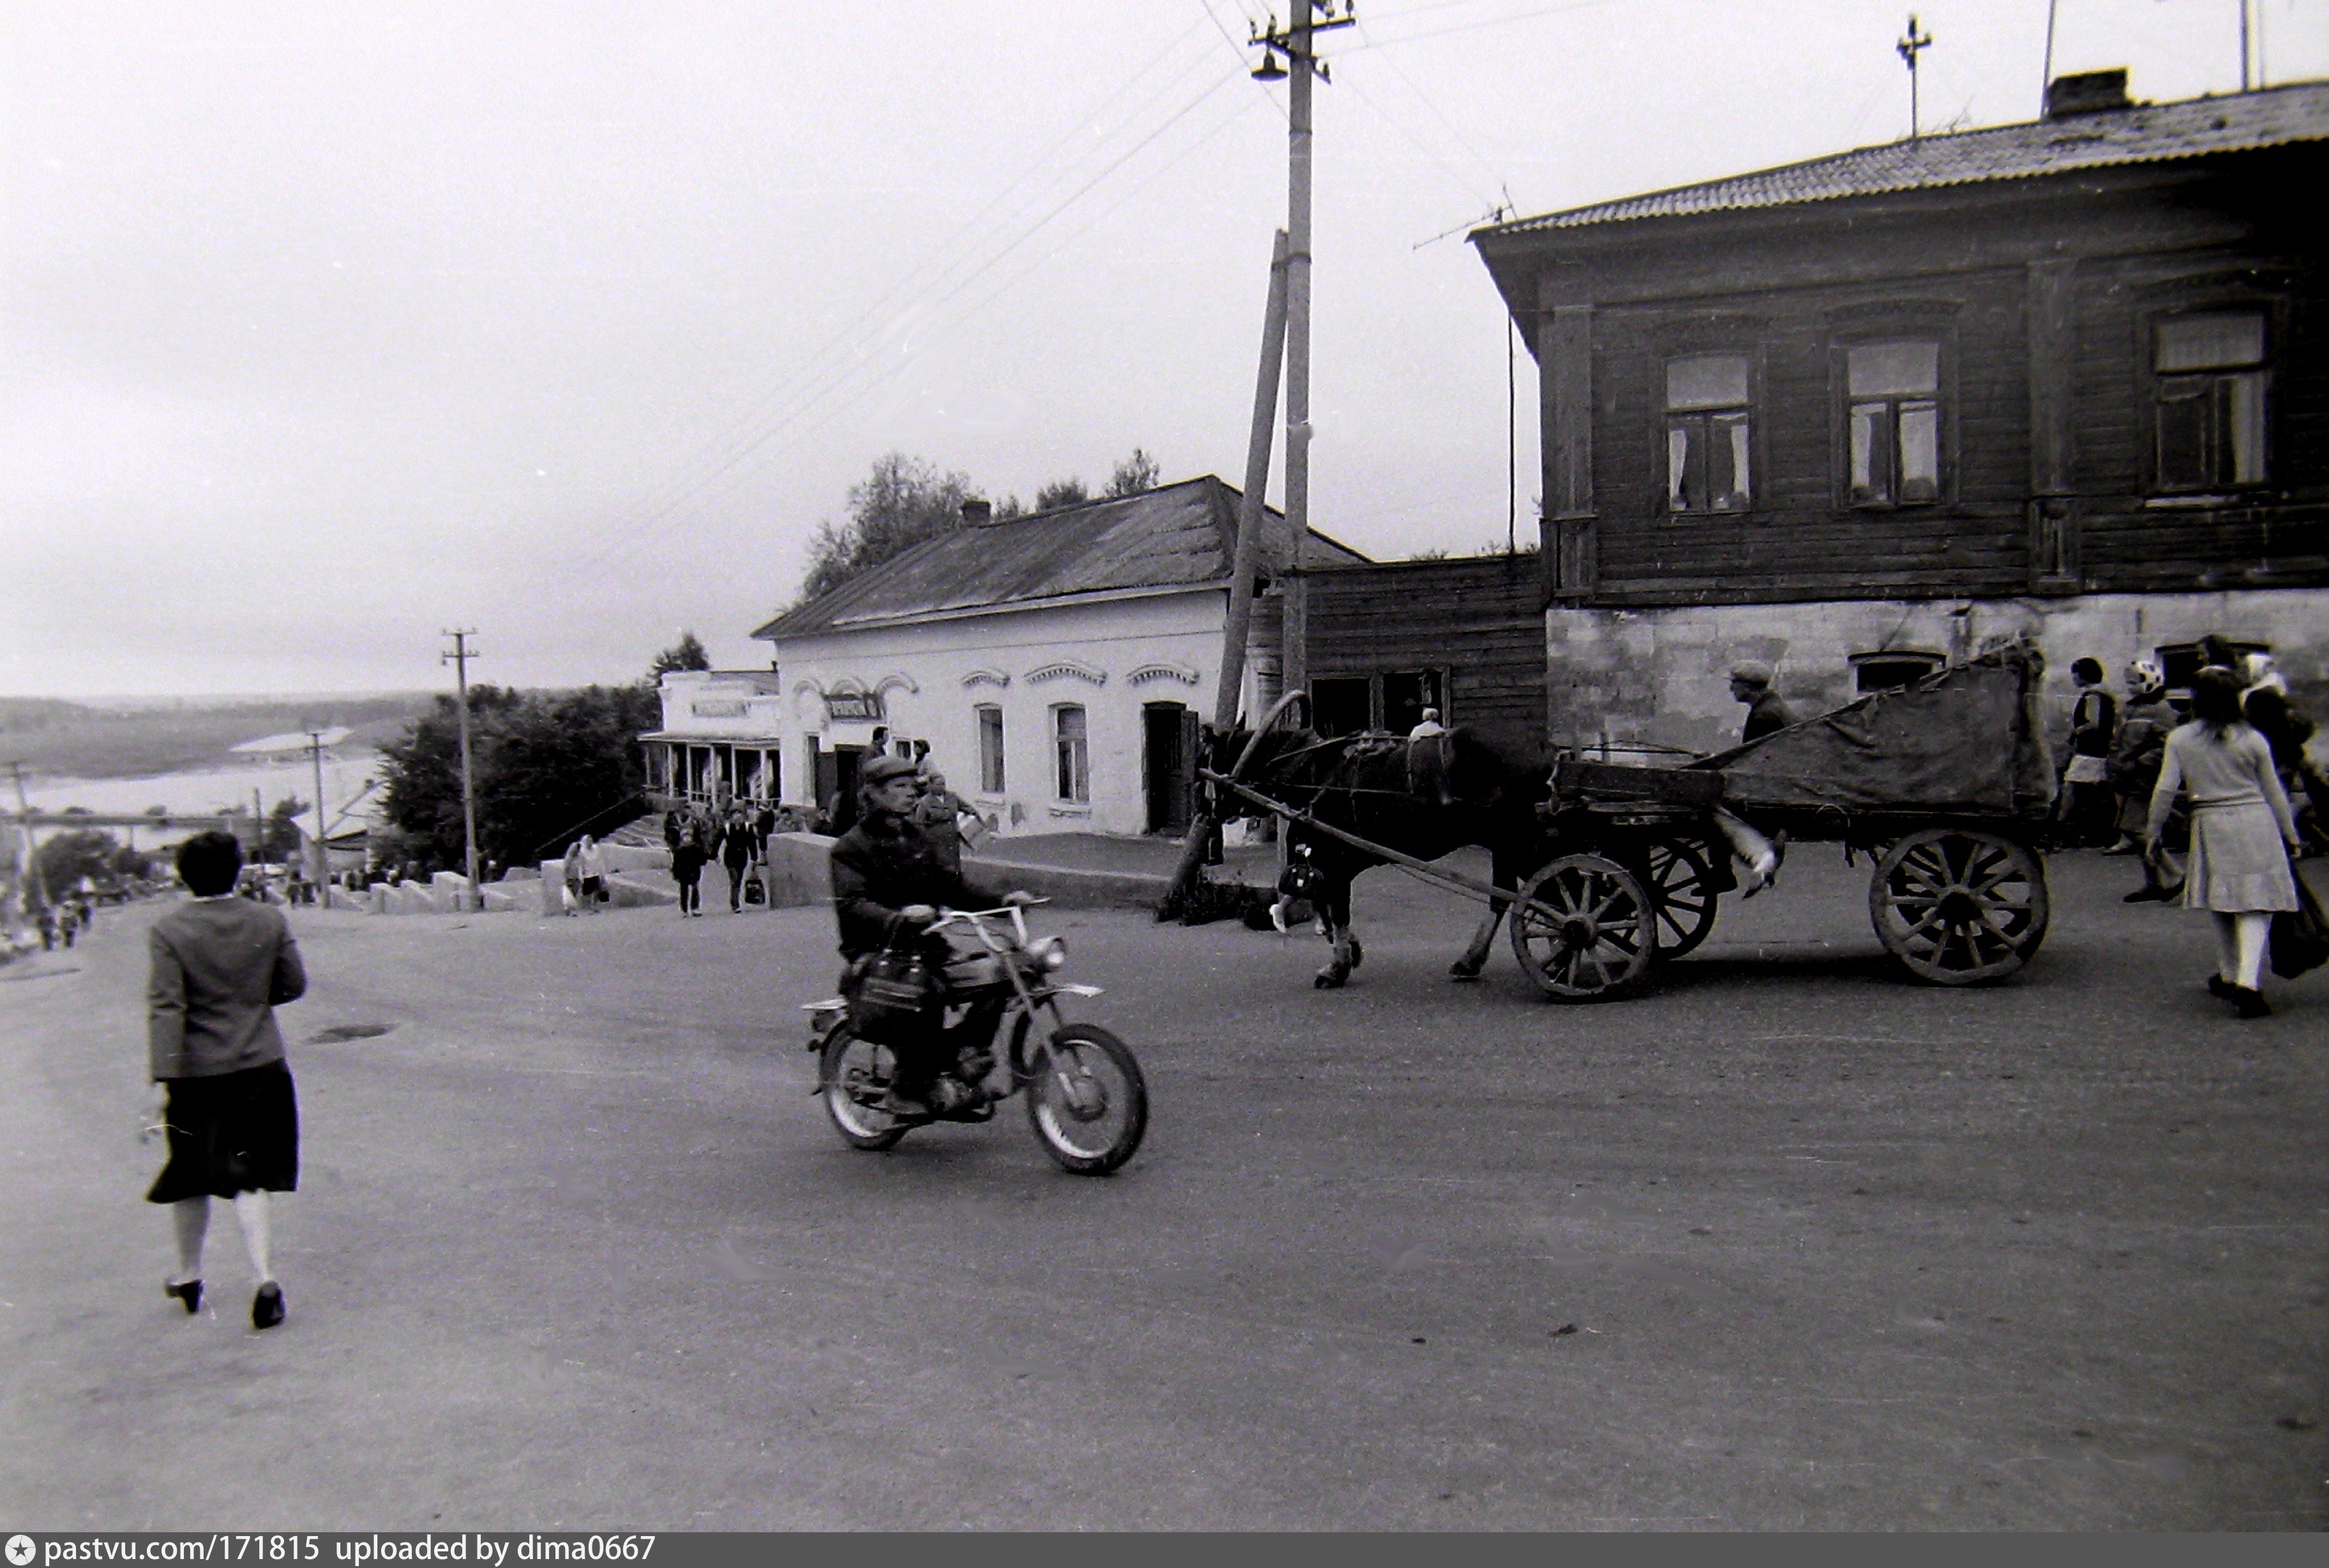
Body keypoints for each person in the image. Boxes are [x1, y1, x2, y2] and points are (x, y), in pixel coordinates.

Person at [144, 830, 306, 1329]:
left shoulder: (169, 931)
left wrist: (160, 1079)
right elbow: (292, 984)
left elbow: (167, 1008)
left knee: (190, 1172)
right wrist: (248, 1007)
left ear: (182, 875)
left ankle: (190, 1275)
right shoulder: (267, 919)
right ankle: (263, 1278)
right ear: (237, 871)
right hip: (260, 1065)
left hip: (197, 1075)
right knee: (249, 1175)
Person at [829, 754, 1033, 1117]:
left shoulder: (916, 836)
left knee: (1000, 977)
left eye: (913, 787)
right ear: (874, 794)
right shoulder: (851, 847)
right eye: (900, 788)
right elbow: (852, 903)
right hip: (879, 950)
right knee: (930, 992)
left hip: (927, 945)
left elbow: (951, 887)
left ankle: (959, 1057)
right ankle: (905, 1089)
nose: (911, 794)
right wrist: (898, 917)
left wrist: (1003, 902)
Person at [2146, 667, 2303, 1018]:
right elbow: (2274, 791)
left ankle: (2231, 974)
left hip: (2210, 822)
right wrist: (2291, 833)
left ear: (2196, 699)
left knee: (2222, 902)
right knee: (2256, 906)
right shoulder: (2251, 738)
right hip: (2256, 822)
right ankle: (2248, 984)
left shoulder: (2181, 738)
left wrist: (2153, 830)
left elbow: (2166, 788)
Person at [2108, 661, 2182, 901]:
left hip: (2145, 779)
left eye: (2135, 682)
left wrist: (2142, 762)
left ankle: (2174, 874)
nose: (2131, 687)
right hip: (2128, 778)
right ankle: (2154, 882)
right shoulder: (2131, 710)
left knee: (2136, 828)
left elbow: (2168, 745)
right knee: (2133, 829)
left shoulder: (2161, 711)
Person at [2238, 653, 2327, 852]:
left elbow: (2280, 731)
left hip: (2278, 756)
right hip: (2283, 755)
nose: (2242, 672)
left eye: (2246, 668)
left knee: (2283, 799)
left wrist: (2295, 757)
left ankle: (2293, 841)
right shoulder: (2264, 691)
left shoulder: (2262, 695)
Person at [2058, 656, 2119, 847]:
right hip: (2097, 751)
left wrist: (2073, 733)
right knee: (2093, 794)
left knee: (2071, 789)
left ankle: (2061, 831)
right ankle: (2095, 833)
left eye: (2074, 674)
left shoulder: (2093, 695)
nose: (2073, 678)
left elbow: (2093, 723)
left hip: (2089, 752)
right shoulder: (2105, 695)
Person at [911, 769, 969, 875]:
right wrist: (927, 839)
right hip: (936, 841)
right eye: (939, 784)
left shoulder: (952, 797)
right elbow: (919, 823)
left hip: (952, 838)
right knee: (940, 868)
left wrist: (975, 820)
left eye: (943, 784)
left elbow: (968, 808)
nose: (942, 787)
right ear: (931, 785)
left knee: (954, 865)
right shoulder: (925, 802)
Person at [1729, 661, 1797, 744]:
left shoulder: (1763, 715)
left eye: (1734, 683)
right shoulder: (1772, 704)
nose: (1731, 689)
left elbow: (1752, 754)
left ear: (1747, 686)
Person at [716, 810, 755, 912]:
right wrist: (715, 855)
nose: (738, 817)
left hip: (742, 857)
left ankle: (734, 900)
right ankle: (735, 904)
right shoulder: (727, 828)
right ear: (732, 817)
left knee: (739, 880)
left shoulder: (748, 828)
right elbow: (717, 841)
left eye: (740, 814)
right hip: (730, 857)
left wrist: (754, 859)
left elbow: (752, 844)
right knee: (734, 878)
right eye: (735, 815)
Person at [670, 814, 708, 918]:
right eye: (685, 837)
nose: (687, 839)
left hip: (694, 870)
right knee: (684, 891)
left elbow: (701, 858)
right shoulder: (679, 850)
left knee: (695, 888)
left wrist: (703, 861)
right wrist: (675, 874)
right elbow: (675, 863)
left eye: (689, 837)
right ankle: (685, 909)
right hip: (683, 872)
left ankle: (695, 907)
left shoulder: (696, 848)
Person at [572, 833, 608, 913]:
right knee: (587, 893)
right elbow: (581, 865)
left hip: (596, 873)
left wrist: (603, 873)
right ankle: (586, 908)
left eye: (591, 840)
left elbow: (600, 861)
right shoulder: (582, 852)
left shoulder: (596, 849)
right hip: (587, 875)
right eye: (588, 841)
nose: (590, 842)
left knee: (597, 890)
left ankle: (594, 906)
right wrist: (581, 875)